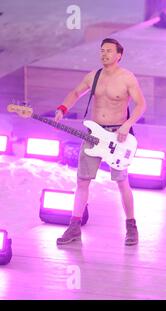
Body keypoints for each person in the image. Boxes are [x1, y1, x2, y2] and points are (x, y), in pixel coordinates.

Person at [54, 38, 147, 245]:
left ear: (118, 55)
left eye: (109, 51)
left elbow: (141, 105)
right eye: (102, 50)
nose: (104, 54)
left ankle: (131, 226)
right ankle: (74, 225)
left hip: (118, 136)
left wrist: (127, 124)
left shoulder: (127, 78)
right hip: (94, 134)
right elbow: (76, 92)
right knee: (82, 181)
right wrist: (62, 108)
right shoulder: (93, 76)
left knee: (122, 182)